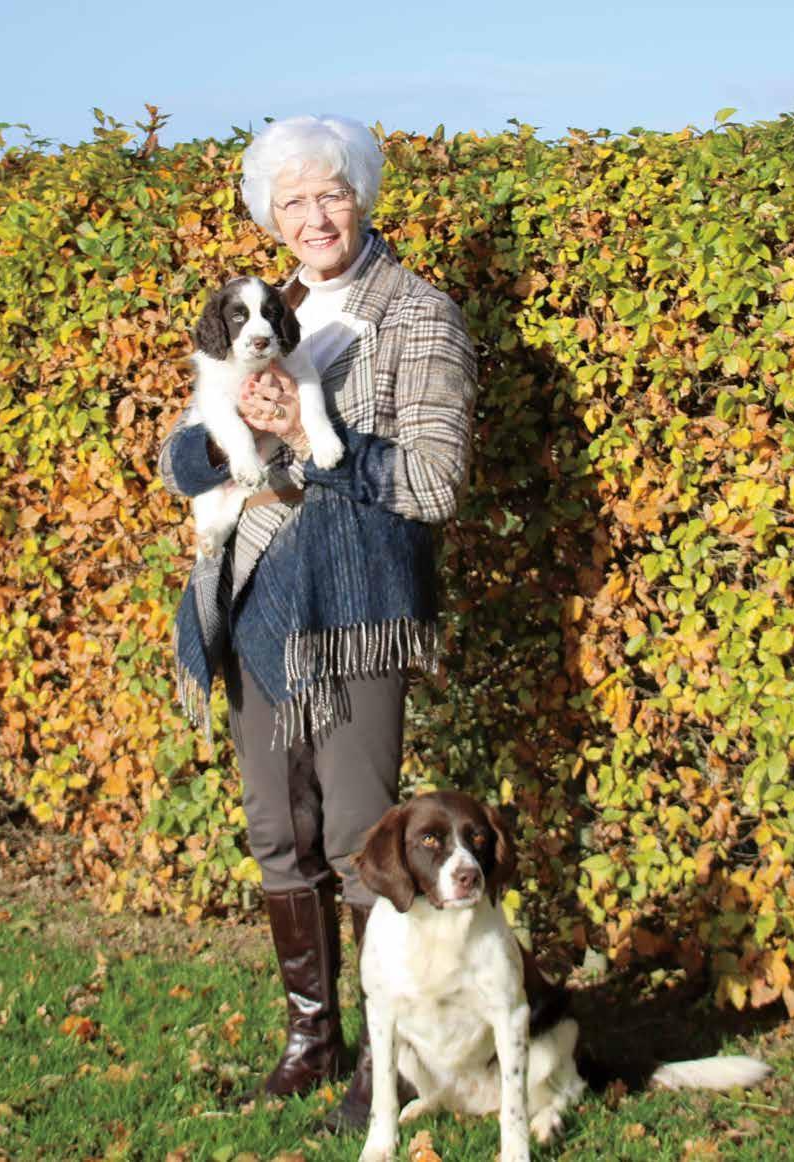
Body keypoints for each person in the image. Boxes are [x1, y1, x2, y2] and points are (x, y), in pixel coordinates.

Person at [158, 114, 477, 1129]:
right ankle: (312, 1036)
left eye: (328, 194)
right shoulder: (260, 312)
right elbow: (185, 455)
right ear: (270, 216)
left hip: (356, 609)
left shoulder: (418, 314)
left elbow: (433, 482)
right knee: (273, 828)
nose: (312, 216)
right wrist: (217, 450)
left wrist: (306, 431)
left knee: (354, 831)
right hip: (259, 602)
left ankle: (383, 1055)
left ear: (362, 196)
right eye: (290, 201)